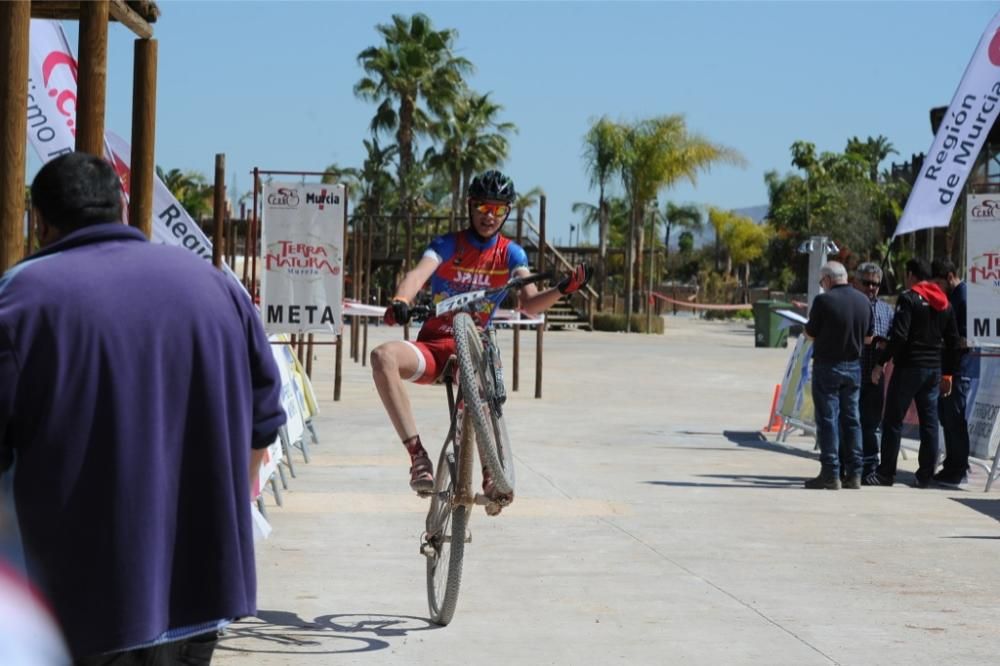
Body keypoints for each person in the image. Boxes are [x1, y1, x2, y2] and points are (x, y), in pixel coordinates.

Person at [0, 152, 287, 663]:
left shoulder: (21, 300)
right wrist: (228, 512)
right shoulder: (216, 286)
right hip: (205, 587)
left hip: (81, 599)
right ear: (123, 210)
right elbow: (265, 418)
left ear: (40, 222)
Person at [370, 169, 591, 496]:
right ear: (470, 206)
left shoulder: (511, 253)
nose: (490, 216)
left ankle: (490, 469)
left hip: (473, 351)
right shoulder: (446, 244)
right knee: (382, 356)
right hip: (434, 347)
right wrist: (402, 299)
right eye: (484, 208)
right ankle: (418, 457)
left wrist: (563, 289)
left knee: (479, 374)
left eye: (499, 210)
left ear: (507, 212)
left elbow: (530, 305)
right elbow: (418, 275)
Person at [868, 257, 960, 488]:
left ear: (911, 275)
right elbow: (953, 341)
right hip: (933, 371)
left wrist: (881, 362)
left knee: (892, 420)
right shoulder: (945, 303)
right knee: (929, 423)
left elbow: (900, 336)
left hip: (909, 367)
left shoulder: (908, 299)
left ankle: (885, 473)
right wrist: (948, 374)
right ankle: (925, 475)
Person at [803, 261, 872, 489]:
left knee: (828, 419)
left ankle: (831, 472)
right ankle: (855, 473)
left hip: (828, 366)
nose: (822, 286)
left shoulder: (823, 301)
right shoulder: (864, 300)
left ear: (828, 280)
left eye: (822, 282)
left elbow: (810, 333)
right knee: (852, 420)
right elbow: (869, 338)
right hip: (854, 367)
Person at [931, 257, 975, 488]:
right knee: (946, 418)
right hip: (948, 367)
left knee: (955, 420)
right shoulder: (952, 297)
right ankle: (951, 465)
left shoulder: (963, 298)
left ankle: (958, 469)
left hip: (958, 370)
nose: (936, 288)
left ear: (949, 277)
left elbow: (965, 339)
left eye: (938, 282)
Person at [848, 262, 894, 479]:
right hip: (850, 373)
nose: (871, 287)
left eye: (875, 284)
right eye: (866, 283)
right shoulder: (850, 305)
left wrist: (885, 348)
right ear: (856, 282)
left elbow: (894, 338)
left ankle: (869, 467)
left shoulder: (887, 310)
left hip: (875, 376)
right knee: (849, 421)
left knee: (871, 425)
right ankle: (849, 464)